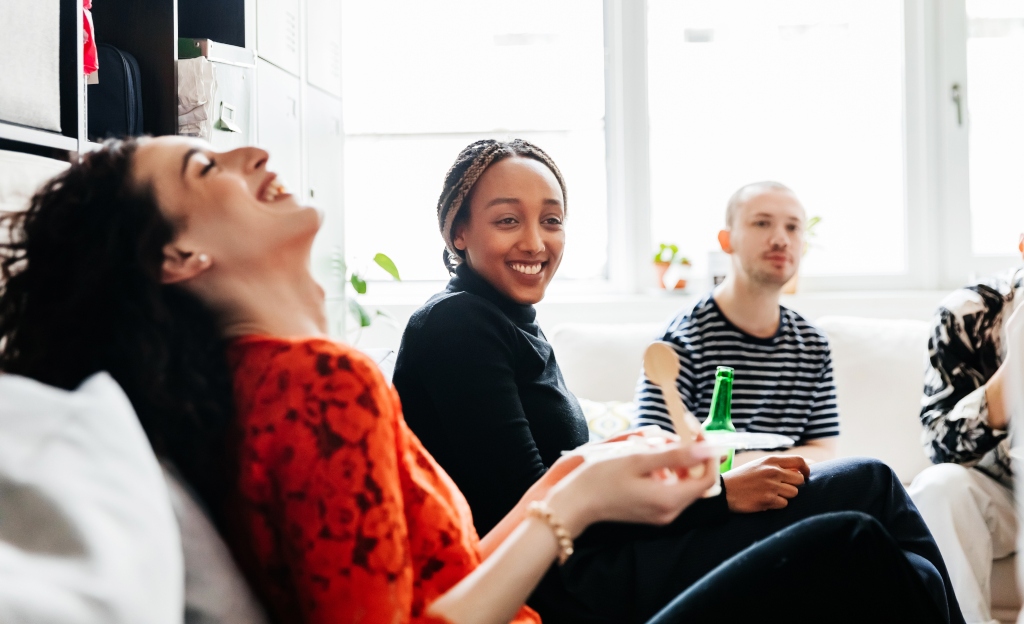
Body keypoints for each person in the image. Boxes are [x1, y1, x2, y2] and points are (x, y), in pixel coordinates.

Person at [0, 137, 951, 624]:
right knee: (861, 537)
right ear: (179, 253)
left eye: (552, 217)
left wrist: (587, 477)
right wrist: (576, 502)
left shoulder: (264, 378)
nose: (252, 153)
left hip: (550, 591)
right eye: (206, 164)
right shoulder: (325, 382)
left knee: (871, 521)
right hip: (562, 607)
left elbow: (436, 561)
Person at [393, 139, 964, 623]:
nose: (536, 243)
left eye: (551, 219)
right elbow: (532, 507)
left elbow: (571, 473)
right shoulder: (456, 327)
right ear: (458, 231)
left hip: (601, 555)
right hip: (571, 586)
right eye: (507, 220)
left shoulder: (504, 322)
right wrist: (717, 495)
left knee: (891, 525)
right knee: (867, 515)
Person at [633, 182, 838, 478]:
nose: (781, 239)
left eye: (793, 228)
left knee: (868, 475)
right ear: (727, 240)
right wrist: (758, 467)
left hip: (793, 499)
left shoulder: (813, 344)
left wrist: (748, 460)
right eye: (762, 223)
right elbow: (656, 455)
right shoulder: (681, 341)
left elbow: (824, 451)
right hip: (714, 509)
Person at [907, 258, 1024, 624]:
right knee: (939, 487)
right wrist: (1016, 362)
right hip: (1000, 492)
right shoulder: (966, 315)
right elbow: (941, 447)